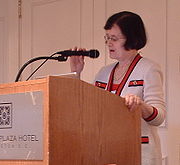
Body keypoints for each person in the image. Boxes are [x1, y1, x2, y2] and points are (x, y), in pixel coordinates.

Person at [70, 11, 166, 165]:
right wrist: (76, 73)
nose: (108, 43)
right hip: (107, 152)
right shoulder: (103, 72)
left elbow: (159, 117)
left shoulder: (149, 69)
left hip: (140, 153)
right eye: (107, 37)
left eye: (114, 38)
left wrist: (140, 105)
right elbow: (86, 110)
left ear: (132, 39)